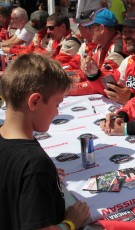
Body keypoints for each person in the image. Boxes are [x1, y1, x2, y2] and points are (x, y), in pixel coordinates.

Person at [0, 53, 90, 229]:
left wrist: (37, 179)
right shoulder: (35, 165)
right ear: (35, 102)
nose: (57, 113)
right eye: (57, 104)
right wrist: (71, 222)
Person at [81, 12, 135, 110]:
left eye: (131, 32)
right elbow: (109, 87)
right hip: (130, 115)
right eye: (124, 32)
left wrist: (131, 98)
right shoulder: (129, 60)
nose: (125, 37)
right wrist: (94, 74)